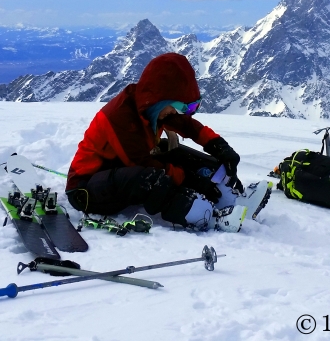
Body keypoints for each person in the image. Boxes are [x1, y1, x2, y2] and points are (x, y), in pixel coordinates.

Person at [64, 52, 262, 232]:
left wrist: (220, 147)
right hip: (87, 189)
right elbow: (142, 162)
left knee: (177, 153)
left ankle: (230, 199)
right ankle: (205, 216)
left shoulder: (151, 107)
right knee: (152, 177)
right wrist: (191, 180)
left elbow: (190, 127)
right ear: (160, 99)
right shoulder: (119, 117)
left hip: (121, 174)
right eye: (177, 106)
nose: (177, 113)